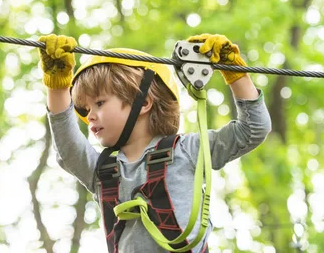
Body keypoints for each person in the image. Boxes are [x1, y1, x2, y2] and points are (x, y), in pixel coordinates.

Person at [38, 33, 271, 253]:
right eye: (87, 108)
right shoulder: (103, 170)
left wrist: (234, 72)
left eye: (99, 103)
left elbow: (253, 129)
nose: (89, 115)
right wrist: (57, 87)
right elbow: (68, 147)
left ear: (144, 102)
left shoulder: (187, 151)